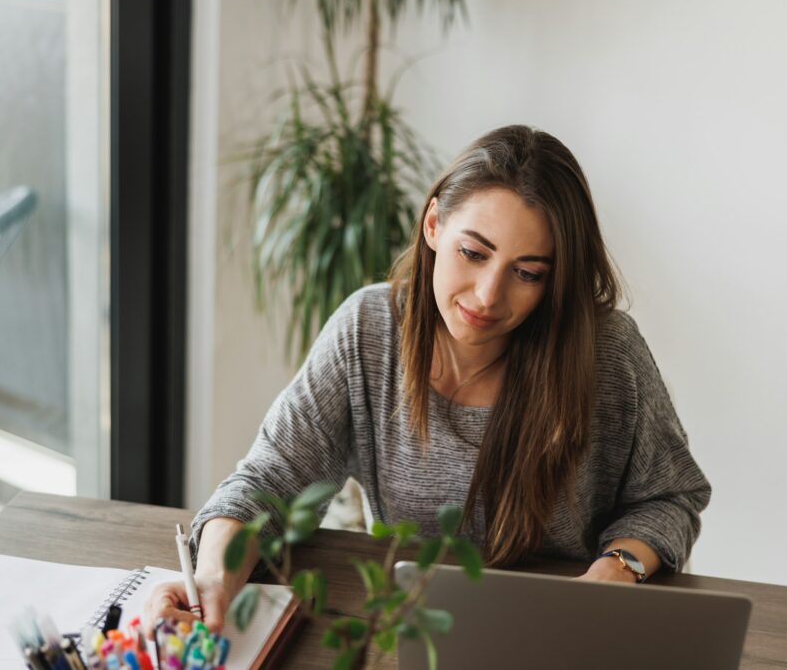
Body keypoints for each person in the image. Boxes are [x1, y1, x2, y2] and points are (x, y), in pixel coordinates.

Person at [144, 125, 711, 634]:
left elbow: (671, 496)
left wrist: (620, 569)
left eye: (527, 273)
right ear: (434, 224)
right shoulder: (369, 330)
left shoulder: (606, 352)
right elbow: (270, 478)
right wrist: (214, 578)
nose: (488, 296)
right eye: (473, 253)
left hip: (564, 632)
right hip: (408, 630)